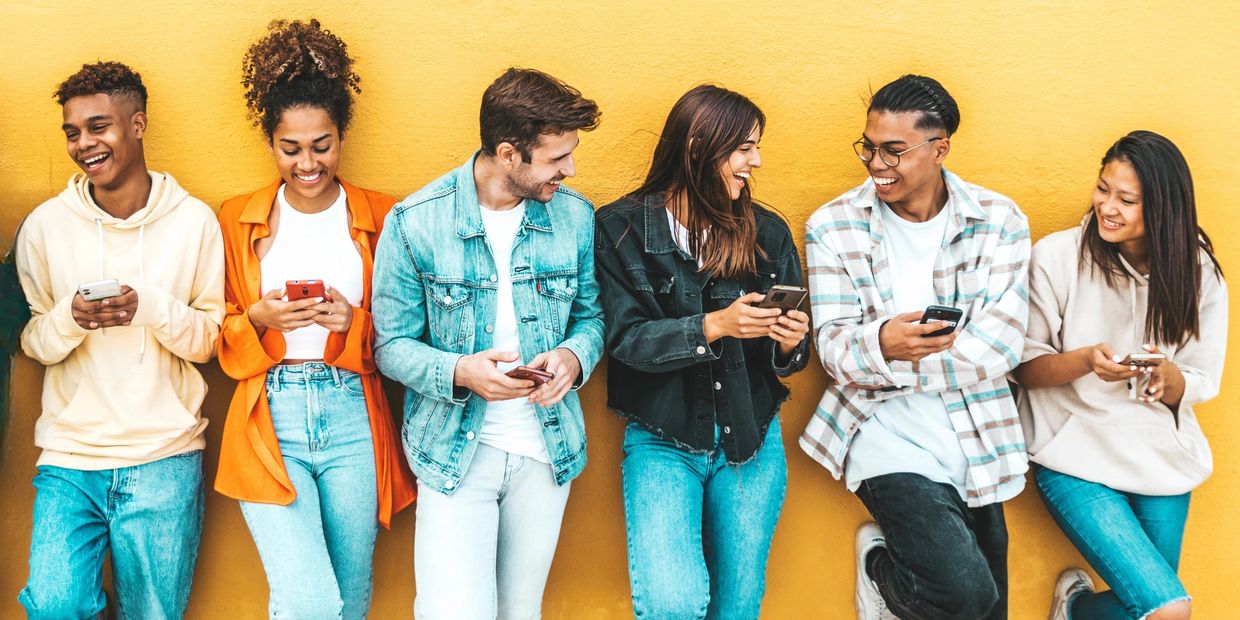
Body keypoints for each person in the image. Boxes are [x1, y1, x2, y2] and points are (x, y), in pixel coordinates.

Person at [372, 67, 603, 619]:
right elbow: (390, 345)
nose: (569, 170)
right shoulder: (415, 222)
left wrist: (572, 357)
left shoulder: (575, 217)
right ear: (507, 154)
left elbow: (592, 318)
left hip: (545, 450)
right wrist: (460, 372)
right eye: (556, 159)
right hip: (454, 451)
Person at [800, 74, 1031, 620]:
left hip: (977, 432)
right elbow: (832, 349)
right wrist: (882, 343)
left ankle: (894, 587)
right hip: (882, 432)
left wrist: (882, 356)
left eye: (893, 150)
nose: (876, 164)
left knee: (990, 609)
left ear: (939, 148)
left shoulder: (999, 221)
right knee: (965, 594)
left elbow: (1001, 348)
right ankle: (880, 570)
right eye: (868, 148)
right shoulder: (833, 226)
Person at [213, 19, 415, 619]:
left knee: (348, 600)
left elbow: (407, 336)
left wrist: (352, 321)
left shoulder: (385, 217)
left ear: (342, 136)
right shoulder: (235, 219)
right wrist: (258, 316)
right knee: (309, 600)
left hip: (354, 411)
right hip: (269, 413)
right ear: (270, 143)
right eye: (291, 148)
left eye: (321, 145)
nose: (307, 163)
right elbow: (218, 331)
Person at [15, 61, 224, 619]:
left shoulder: (195, 223)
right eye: (72, 132)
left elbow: (208, 342)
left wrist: (148, 307)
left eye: (98, 127)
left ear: (138, 124)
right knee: (54, 606)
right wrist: (70, 317)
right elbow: (35, 341)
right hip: (70, 457)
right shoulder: (44, 226)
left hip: (164, 456)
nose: (84, 143)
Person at [594, 84, 810, 619]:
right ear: (698, 149)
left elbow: (792, 357)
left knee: (737, 608)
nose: (755, 162)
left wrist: (789, 342)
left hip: (751, 438)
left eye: (756, 147)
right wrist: (714, 325)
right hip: (663, 438)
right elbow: (624, 340)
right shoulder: (620, 229)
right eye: (744, 148)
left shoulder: (768, 232)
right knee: (673, 603)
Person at [1015, 130, 1226, 620]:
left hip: (1159, 454)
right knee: (1168, 611)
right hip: (1072, 451)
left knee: (1150, 610)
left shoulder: (1197, 271)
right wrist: (1086, 360)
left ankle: (1075, 612)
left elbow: (1200, 376)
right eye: (1102, 188)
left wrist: (1169, 379)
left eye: (1126, 200)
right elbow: (1024, 367)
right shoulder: (1057, 256)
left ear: (1163, 208)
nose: (1107, 207)